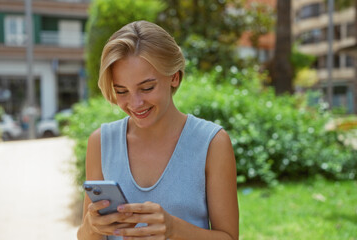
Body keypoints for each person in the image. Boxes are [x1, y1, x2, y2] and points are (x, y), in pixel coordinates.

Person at [77, 20, 239, 240]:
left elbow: (229, 237)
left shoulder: (212, 142)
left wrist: (174, 229)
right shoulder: (101, 142)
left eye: (146, 88)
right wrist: (92, 227)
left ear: (174, 76)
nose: (135, 104)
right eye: (122, 91)